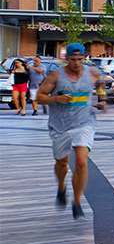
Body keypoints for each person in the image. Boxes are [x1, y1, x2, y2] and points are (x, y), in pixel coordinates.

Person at [35, 43, 107, 219]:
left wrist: (102, 100)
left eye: (80, 60)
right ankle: (61, 187)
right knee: (62, 163)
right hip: (60, 125)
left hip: (85, 122)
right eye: (73, 60)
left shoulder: (92, 72)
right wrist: (56, 98)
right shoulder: (55, 75)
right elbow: (39, 97)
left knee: (81, 162)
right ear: (66, 58)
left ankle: (77, 202)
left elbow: (100, 85)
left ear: (85, 57)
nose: (76, 63)